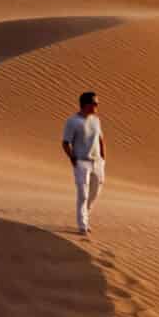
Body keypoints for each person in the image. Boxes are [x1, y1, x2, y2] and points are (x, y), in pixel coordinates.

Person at [61, 89, 105, 236]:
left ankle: (85, 216)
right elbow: (65, 143)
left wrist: (103, 158)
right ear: (86, 104)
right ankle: (82, 225)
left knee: (94, 194)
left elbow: (100, 139)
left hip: (97, 163)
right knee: (83, 195)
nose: (97, 106)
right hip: (82, 162)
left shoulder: (96, 120)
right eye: (95, 103)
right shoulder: (72, 121)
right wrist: (73, 159)